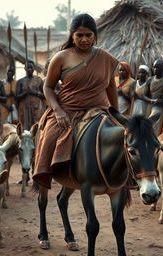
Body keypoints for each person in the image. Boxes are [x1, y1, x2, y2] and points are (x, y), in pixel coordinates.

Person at [32, 13, 119, 189]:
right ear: (72, 36)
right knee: (49, 137)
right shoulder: (61, 58)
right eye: (79, 35)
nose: (84, 39)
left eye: (88, 35)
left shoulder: (106, 58)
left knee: (126, 142)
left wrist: (116, 115)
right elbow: (48, 87)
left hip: (99, 110)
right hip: (67, 111)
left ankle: (128, 178)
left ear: (95, 35)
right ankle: (47, 172)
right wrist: (57, 110)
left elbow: (111, 88)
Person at [16, 60, 45, 130]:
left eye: (31, 67)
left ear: (34, 68)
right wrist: (25, 93)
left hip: (36, 108)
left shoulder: (39, 80)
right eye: (28, 67)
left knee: (37, 127)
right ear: (25, 68)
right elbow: (17, 97)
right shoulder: (21, 81)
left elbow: (44, 95)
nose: (29, 69)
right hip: (24, 109)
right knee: (25, 129)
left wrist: (34, 92)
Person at [143, 59, 163, 135]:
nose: (155, 69)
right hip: (150, 105)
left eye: (158, 67)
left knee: (155, 125)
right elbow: (144, 95)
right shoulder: (150, 79)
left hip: (160, 106)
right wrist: (151, 100)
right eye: (154, 67)